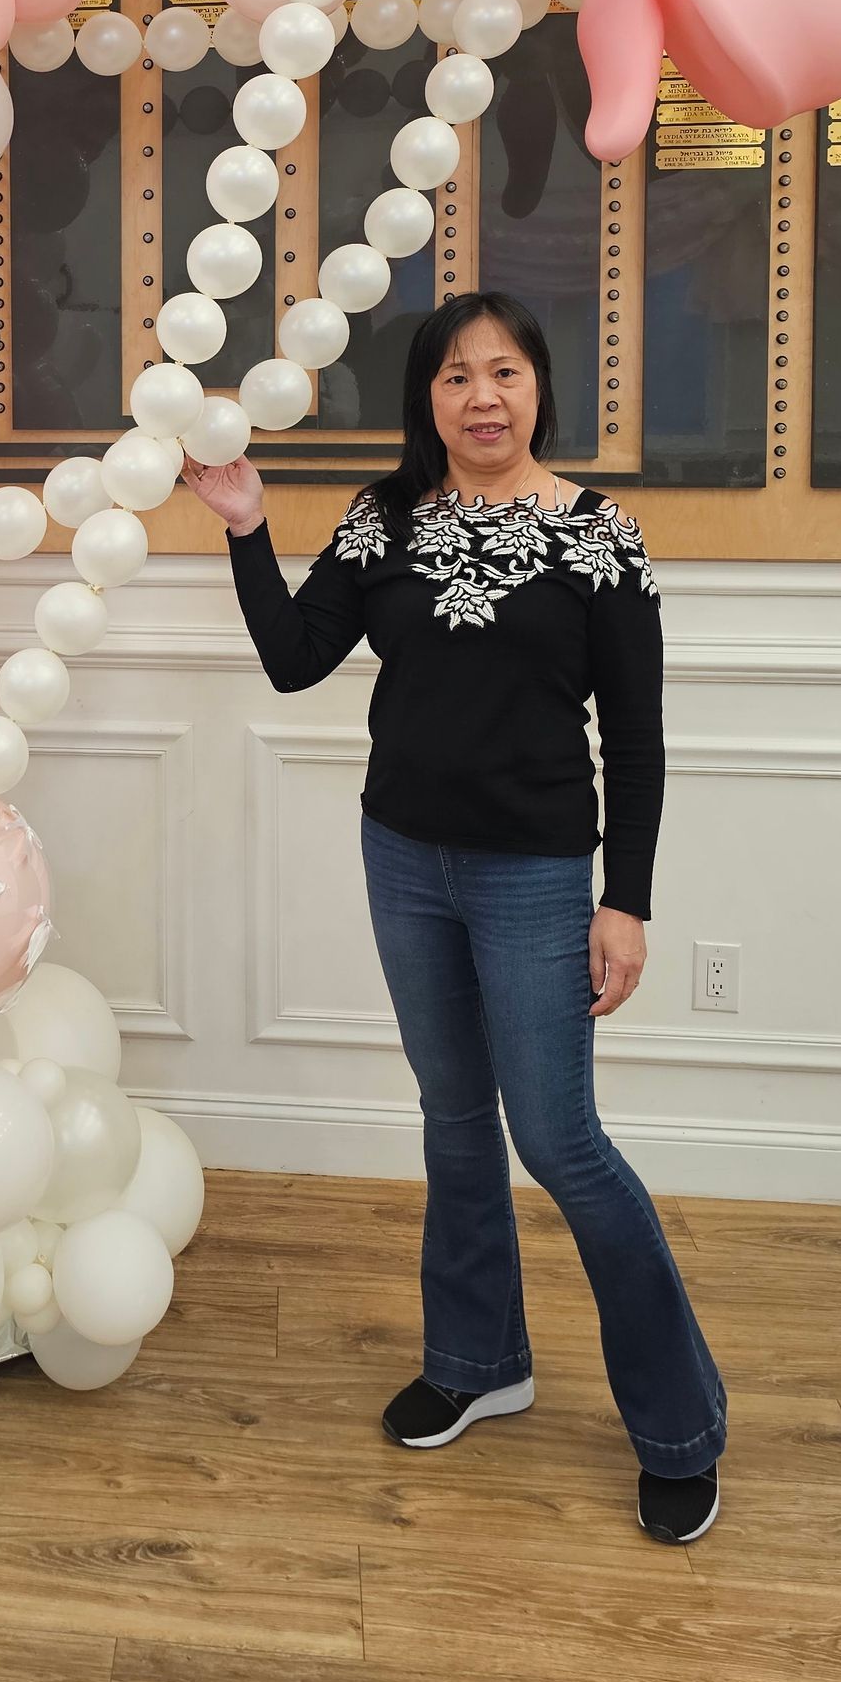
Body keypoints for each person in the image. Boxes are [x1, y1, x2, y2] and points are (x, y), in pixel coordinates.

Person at [181, 289, 726, 1544]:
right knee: (451, 1116)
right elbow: (296, 657)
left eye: (505, 372)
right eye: (453, 377)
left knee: (561, 1139)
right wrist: (250, 527)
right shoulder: (385, 520)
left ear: (540, 387)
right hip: (403, 858)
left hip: (536, 874)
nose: (481, 396)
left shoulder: (601, 539)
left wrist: (626, 901)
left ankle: (682, 1427)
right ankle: (479, 1359)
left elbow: (634, 744)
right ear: (426, 398)